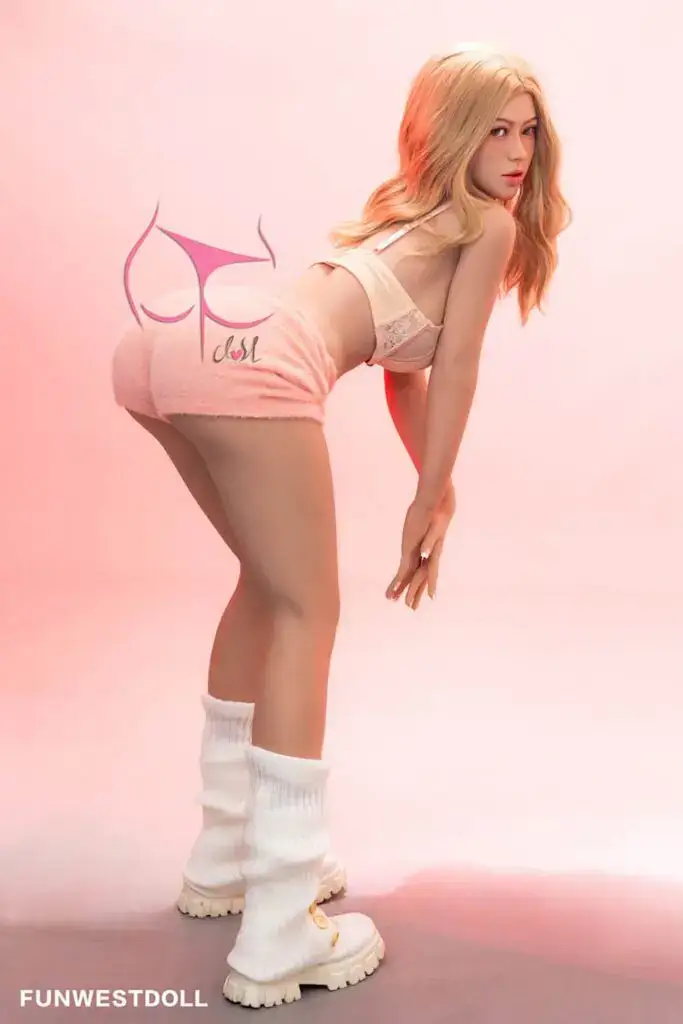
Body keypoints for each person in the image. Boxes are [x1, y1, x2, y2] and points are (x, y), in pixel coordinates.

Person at [111, 44, 570, 1009]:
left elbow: (405, 369)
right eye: (493, 129)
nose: (516, 152)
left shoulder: (404, 214)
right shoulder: (485, 225)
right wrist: (430, 494)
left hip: (174, 338)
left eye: (527, 130)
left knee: (266, 587)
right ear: (448, 131)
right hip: (260, 353)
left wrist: (432, 485)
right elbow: (455, 363)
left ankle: (227, 857)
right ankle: (281, 924)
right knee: (307, 612)